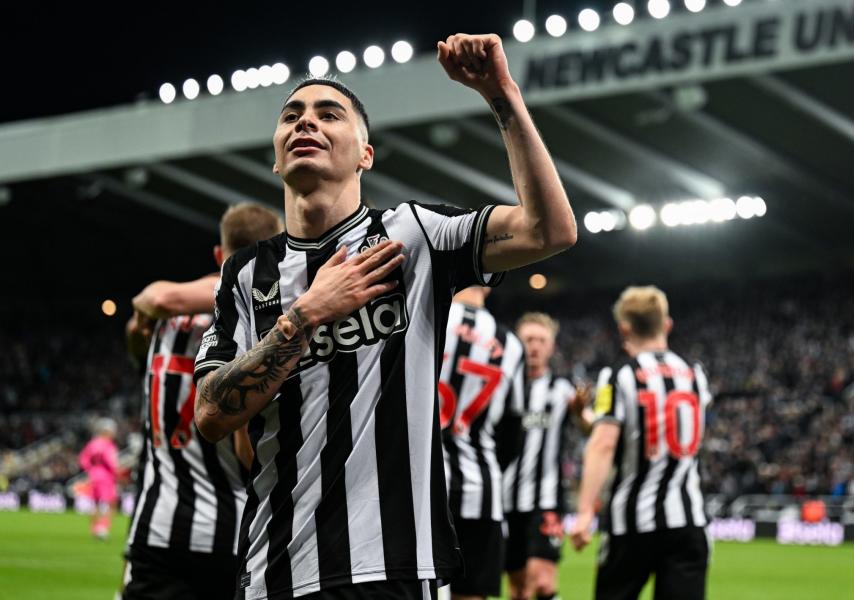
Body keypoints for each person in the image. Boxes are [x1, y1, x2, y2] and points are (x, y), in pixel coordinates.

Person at [192, 32, 576, 600]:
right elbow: (209, 414)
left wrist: (502, 95)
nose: (306, 123)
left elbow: (551, 231)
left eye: (329, 114)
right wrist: (305, 315)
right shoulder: (247, 275)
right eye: (292, 115)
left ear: (365, 154)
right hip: (275, 567)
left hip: (392, 567)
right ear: (275, 157)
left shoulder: (412, 235)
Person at [122, 203, 283, 600]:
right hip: (231, 535)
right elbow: (248, 450)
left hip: (157, 527)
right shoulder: (256, 323)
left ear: (218, 254)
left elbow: (143, 321)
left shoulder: (164, 317)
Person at [571, 287, 711, 600]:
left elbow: (604, 442)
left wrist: (583, 512)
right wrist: (585, 419)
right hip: (688, 520)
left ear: (624, 328)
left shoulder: (617, 376)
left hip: (632, 523)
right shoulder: (695, 375)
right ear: (667, 325)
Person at [439, 286, 524, 600]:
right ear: (488, 285)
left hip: (418, 488)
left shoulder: (427, 314)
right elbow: (513, 434)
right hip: (481, 490)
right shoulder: (511, 343)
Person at [503, 313, 583, 600]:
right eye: (528, 340)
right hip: (504, 501)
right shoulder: (503, 386)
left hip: (546, 500)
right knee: (519, 588)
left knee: (543, 583)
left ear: (552, 347)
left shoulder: (563, 390)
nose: (534, 347)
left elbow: (587, 426)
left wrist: (581, 413)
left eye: (541, 340)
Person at [78, 417, 119, 540]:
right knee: (110, 503)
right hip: (106, 477)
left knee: (95, 504)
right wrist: (116, 473)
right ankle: (103, 528)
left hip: (93, 476)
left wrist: (90, 470)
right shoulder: (109, 445)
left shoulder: (92, 443)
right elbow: (111, 462)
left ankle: (94, 529)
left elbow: (83, 459)